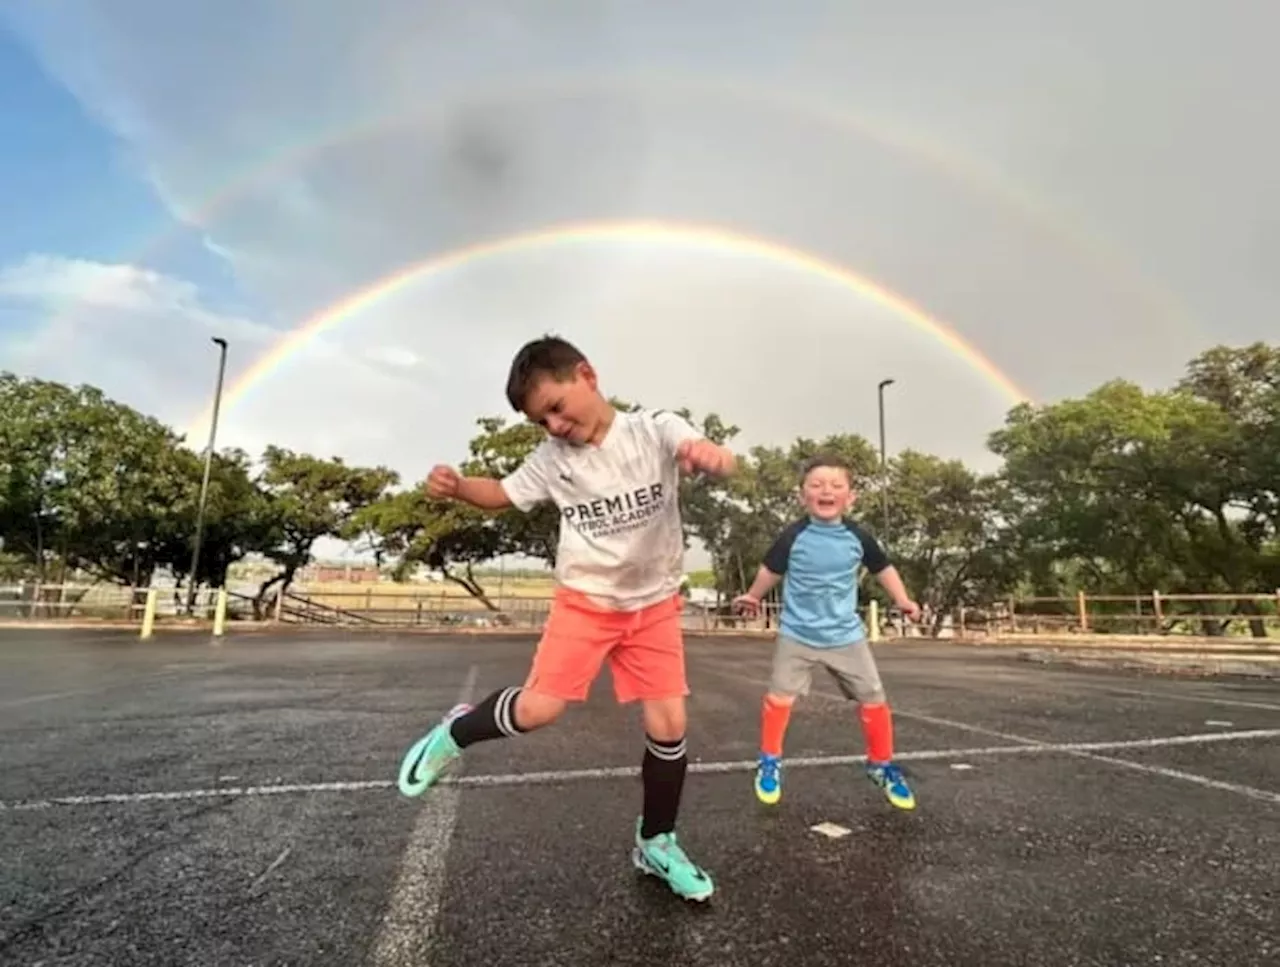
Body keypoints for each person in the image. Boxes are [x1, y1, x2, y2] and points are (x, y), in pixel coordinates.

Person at [396, 335, 736, 903]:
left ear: (587, 375)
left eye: (556, 407)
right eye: (540, 420)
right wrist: (458, 488)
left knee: (670, 725)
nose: (552, 425)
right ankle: (454, 731)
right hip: (585, 602)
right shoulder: (552, 462)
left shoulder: (654, 429)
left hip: (653, 605)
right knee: (537, 710)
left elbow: (700, 446)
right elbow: (500, 493)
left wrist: (712, 456)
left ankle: (656, 843)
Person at [733, 452, 922, 811]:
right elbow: (770, 569)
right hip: (797, 634)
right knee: (780, 698)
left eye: (836, 486)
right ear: (803, 494)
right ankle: (769, 761)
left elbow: (883, 568)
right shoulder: (794, 536)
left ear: (850, 497)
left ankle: (881, 765)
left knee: (874, 699)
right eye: (817, 485)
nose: (826, 491)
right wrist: (754, 596)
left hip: (845, 636)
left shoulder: (858, 537)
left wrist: (903, 600)